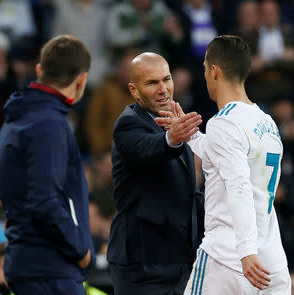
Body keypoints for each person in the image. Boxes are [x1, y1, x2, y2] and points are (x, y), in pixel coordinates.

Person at [156, 35, 291, 294]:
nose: (205, 75)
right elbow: (222, 158)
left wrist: (246, 251)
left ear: (214, 71)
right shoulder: (267, 123)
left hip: (230, 258)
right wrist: (191, 134)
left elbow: (239, 186)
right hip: (271, 261)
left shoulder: (224, 123)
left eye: (205, 69)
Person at [0, 35, 95, 295]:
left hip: (31, 264)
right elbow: (45, 202)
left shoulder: (18, 117)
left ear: (40, 70)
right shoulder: (49, 124)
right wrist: (80, 249)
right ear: (81, 81)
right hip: (51, 270)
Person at [107, 52, 203, 295]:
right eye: (152, 83)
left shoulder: (176, 122)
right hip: (143, 267)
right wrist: (172, 138)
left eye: (166, 79)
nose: (163, 89)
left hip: (181, 263)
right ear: (134, 90)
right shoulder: (128, 123)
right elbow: (149, 149)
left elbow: (189, 195)